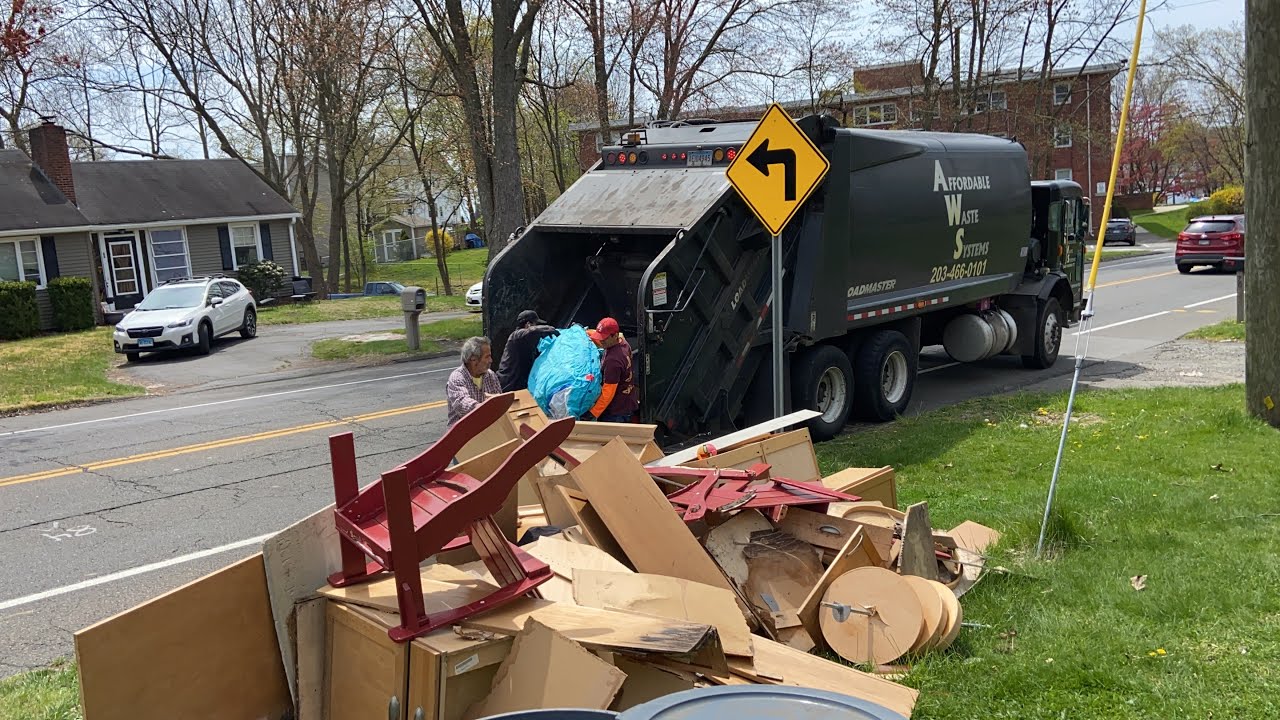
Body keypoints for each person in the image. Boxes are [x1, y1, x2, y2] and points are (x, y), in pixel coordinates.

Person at [587, 317, 639, 423]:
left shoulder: (613, 361)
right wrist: (584, 332)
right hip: (627, 402)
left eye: (604, 338)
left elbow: (608, 392)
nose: (601, 341)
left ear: (614, 336)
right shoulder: (623, 343)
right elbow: (600, 337)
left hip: (616, 412)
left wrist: (593, 413)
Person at [496, 310, 559, 392]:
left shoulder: (528, 342)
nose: (537, 326)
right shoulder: (516, 336)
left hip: (519, 386)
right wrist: (547, 329)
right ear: (528, 324)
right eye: (536, 324)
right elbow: (531, 331)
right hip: (508, 385)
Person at [446, 336, 502, 426]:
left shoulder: (491, 375)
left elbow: (499, 403)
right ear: (473, 359)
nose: (491, 360)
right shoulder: (457, 377)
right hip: (463, 431)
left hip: (486, 429)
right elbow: (462, 404)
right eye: (487, 357)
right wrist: (485, 407)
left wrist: (498, 400)